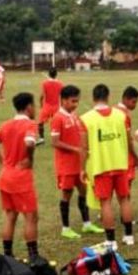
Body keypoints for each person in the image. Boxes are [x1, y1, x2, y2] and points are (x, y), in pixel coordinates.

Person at [0, 92, 41, 261]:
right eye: (34, 105)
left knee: (10, 216)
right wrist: (29, 158)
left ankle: (7, 256)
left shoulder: (7, 124)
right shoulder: (30, 124)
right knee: (31, 217)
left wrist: (3, 162)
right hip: (21, 178)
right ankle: (33, 256)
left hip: (5, 176)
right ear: (29, 107)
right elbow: (30, 142)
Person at [80, 84, 133, 251]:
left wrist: (82, 169)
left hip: (101, 166)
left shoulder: (86, 119)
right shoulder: (121, 115)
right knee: (124, 199)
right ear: (108, 96)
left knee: (105, 202)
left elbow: (84, 148)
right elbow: (130, 140)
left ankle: (111, 241)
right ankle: (129, 236)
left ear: (93, 98)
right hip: (120, 164)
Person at [50, 85, 104, 239]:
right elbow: (54, 142)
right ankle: (65, 228)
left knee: (84, 191)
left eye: (77, 101)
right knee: (66, 195)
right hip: (65, 166)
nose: (75, 104)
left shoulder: (73, 115)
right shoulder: (57, 118)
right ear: (64, 100)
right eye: (73, 101)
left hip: (79, 164)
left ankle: (86, 224)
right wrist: (76, 149)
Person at [116, 86, 138, 245]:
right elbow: (127, 140)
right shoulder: (124, 114)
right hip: (124, 157)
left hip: (114, 156)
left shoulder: (114, 109)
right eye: (134, 101)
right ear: (126, 99)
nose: (135, 105)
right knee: (125, 191)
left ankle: (122, 216)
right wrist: (136, 157)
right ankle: (125, 218)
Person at [38, 67, 64, 144]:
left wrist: (41, 104)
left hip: (47, 106)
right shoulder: (60, 84)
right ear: (56, 74)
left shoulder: (45, 83)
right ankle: (59, 138)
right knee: (57, 123)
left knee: (40, 123)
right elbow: (62, 97)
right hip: (56, 107)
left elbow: (42, 96)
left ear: (49, 74)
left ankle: (41, 138)